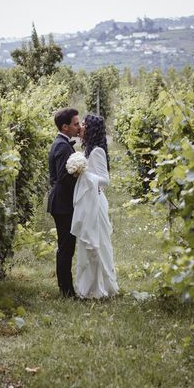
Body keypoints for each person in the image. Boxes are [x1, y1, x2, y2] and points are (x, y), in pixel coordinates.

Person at [71, 114, 119, 299]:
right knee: (87, 243)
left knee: (96, 242)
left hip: (96, 203)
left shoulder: (97, 151)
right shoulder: (88, 150)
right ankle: (89, 285)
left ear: (91, 129)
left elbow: (105, 181)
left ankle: (99, 287)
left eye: (84, 124)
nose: (81, 127)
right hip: (88, 201)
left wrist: (85, 175)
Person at [47, 108, 81, 298]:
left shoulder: (62, 143)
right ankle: (67, 291)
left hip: (62, 202)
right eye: (75, 124)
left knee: (66, 246)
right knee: (66, 247)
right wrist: (81, 180)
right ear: (65, 126)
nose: (78, 126)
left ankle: (66, 288)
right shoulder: (61, 146)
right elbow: (62, 177)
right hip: (62, 204)